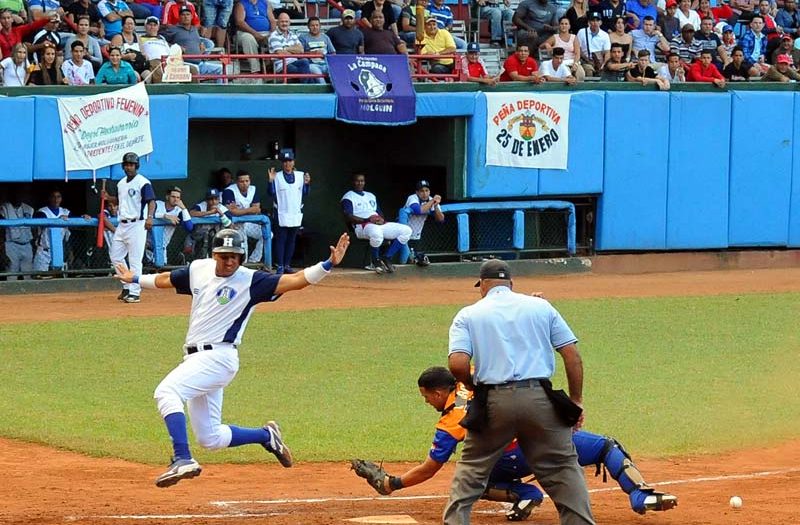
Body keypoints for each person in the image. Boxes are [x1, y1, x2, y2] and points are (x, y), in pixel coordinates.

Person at [113, 229, 351, 488]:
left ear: (242, 258)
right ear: (214, 255)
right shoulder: (199, 269)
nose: (229, 262)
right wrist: (134, 277)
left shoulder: (251, 281)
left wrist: (327, 265)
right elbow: (167, 279)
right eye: (224, 256)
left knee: (166, 392)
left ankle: (182, 458)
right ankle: (266, 436)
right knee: (210, 437)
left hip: (219, 357)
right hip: (196, 359)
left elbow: (295, 280)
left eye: (235, 257)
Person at [354, 366, 679, 520]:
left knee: (471, 480)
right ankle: (639, 494)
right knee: (606, 446)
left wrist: (392, 483)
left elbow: (430, 469)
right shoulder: (475, 378)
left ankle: (525, 493)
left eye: (426, 397)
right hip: (547, 439)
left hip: (511, 459)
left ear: (439, 393)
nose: (426, 402)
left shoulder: (449, 422)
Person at [443, 259, 595, 525]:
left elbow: (457, 364)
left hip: (494, 402)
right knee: (563, 469)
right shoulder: (541, 307)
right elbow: (571, 355)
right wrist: (576, 400)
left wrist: (470, 384)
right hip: (539, 399)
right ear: (511, 284)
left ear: (484, 286)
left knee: (471, 471)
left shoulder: (468, 314)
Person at [103, 152, 156, 303]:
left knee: (134, 260)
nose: (128, 167)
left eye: (131, 164)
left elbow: (151, 201)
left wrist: (150, 217)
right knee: (115, 256)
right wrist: (108, 198)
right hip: (122, 223)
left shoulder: (143, 182)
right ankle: (126, 285)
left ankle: (135, 292)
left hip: (137, 224)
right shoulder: (121, 183)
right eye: (126, 164)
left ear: (136, 166)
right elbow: (120, 200)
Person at [341, 172, 412, 273]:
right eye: (357, 181)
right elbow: (349, 217)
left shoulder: (371, 195)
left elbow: (379, 213)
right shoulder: (348, 197)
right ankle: (375, 262)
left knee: (406, 230)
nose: (360, 183)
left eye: (362, 181)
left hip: (377, 224)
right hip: (361, 226)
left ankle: (387, 257)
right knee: (376, 232)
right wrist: (368, 220)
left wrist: (381, 220)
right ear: (353, 182)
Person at [267, 150, 310, 274]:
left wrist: (307, 184)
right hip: (281, 212)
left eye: (290, 161)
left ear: (293, 162)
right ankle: (280, 265)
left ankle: (287, 264)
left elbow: (305, 193)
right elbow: (271, 193)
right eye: (285, 161)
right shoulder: (277, 176)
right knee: (281, 239)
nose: (287, 164)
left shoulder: (300, 175)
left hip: (295, 212)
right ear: (282, 163)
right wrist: (270, 181)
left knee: (292, 239)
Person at [32, 189, 90, 273]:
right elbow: (40, 220)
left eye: (58, 197)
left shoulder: (65, 211)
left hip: (59, 250)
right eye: (53, 197)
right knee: (40, 276)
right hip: (44, 251)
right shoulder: (42, 211)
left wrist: (83, 216)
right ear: (49, 198)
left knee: (59, 276)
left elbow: (75, 219)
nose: (56, 199)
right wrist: (58, 220)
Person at [162, 6, 225, 81]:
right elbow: (161, 40)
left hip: (200, 63)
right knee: (195, 70)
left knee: (221, 69)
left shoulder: (194, 29)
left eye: (188, 14)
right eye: (183, 15)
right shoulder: (173, 29)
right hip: (184, 64)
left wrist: (201, 46)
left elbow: (197, 42)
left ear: (192, 17)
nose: (186, 17)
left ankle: (220, 92)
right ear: (179, 17)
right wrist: (175, 47)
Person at [222, 170, 264, 264]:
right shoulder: (229, 191)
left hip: (247, 222)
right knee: (243, 243)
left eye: (247, 181)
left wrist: (240, 211)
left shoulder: (253, 189)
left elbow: (257, 209)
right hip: (233, 224)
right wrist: (250, 210)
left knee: (267, 234)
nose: (245, 184)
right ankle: (243, 265)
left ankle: (253, 260)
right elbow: (232, 212)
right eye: (241, 181)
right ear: (237, 182)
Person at [402, 179, 443, 266]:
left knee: (417, 261)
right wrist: (432, 202)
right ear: (417, 192)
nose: (424, 193)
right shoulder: (412, 198)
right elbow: (418, 210)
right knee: (404, 260)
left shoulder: (432, 200)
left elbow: (441, 219)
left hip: (416, 236)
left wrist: (435, 207)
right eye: (421, 191)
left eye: (426, 190)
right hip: (402, 234)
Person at [150, 186, 194, 267]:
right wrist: (165, 216)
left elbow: (189, 227)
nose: (176, 199)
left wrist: (184, 208)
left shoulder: (178, 211)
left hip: (162, 248)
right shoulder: (157, 204)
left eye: (178, 197)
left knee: (160, 269)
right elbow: (147, 216)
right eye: (173, 196)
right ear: (167, 197)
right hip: (147, 243)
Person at [268, 11, 313, 82]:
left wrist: (286, 48)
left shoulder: (293, 34)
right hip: (282, 64)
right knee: (305, 72)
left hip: (295, 61)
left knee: (305, 62)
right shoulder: (274, 35)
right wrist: (294, 51)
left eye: (286, 21)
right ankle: (307, 90)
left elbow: (301, 50)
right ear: (278, 23)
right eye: (282, 21)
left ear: (289, 23)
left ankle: (305, 89)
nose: (284, 24)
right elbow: (280, 54)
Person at [188, 188, 232, 259]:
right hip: (199, 238)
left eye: (216, 199)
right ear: (206, 200)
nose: (213, 202)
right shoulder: (201, 206)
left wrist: (221, 214)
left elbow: (230, 225)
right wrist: (210, 212)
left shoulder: (222, 208)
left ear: (219, 199)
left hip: (217, 238)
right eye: (211, 199)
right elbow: (191, 213)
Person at [233, 0, 273, 78]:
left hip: (266, 32)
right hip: (245, 32)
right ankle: (255, 69)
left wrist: (272, 34)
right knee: (248, 38)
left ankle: (273, 66)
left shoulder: (265, 3)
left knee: (275, 38)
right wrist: (255, 34)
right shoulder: (241, 4)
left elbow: (272, 20)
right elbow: (240, 22)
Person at [0, 191, 34, 279]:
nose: (18, 198)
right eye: (15, 195)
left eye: (20, 195)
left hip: (27, 244)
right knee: (12, 274)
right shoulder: (4, 208)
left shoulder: (28, 208)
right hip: (12, 244)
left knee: (28, 274)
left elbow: (35, 229)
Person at [541, 16, 586, 81]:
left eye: (566, 24)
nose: (564, 26)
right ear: (559, 26)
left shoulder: (574, 37)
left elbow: (577, 53)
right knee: (566, 75)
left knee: (581, 74)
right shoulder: (554, 37)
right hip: (560, 63)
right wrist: (546, 44)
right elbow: (541, 46)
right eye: (562, 24)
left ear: (569, 26)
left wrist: (575, 64)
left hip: (573, 62)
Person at [300, 17, 335, 83]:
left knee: (335, 71)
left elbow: (333, 52)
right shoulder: (303, 37)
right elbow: (300, 54)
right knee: (319, 76)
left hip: (326, 64)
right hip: (312, 64)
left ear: (320, 26)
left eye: (317, 25)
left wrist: (326, 56)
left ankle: (337, 90)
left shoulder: (325, 37)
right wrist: (313, 53)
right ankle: (323, 90)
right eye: (312, 25)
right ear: (308, 26)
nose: (315, 27)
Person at [577, 12, 611, 76]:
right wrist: (587, 60)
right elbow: (578, 48)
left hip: (599, 61)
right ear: (589, 22)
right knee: (589, 70)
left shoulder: (605, 35)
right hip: (584, 60)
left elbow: (607, 52)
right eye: (593, 20)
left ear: (601, 22)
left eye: (597, 20)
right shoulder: (582, 32)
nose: (595, 23)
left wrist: (603, 64)